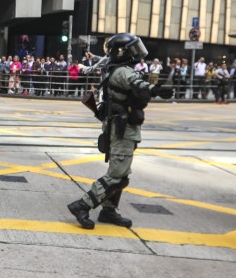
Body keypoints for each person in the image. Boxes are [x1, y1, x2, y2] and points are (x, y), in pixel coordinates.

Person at [68, 34, 171, 229]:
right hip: (122, 129)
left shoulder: (119, 69)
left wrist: (153, 90)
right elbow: (140, 87)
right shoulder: (123, 72)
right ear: (123, 52)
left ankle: (108, 211)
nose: (137, 53)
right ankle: (82, 205)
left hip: (123, 127)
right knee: (117, 175)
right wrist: (156, 90)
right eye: (133, 49)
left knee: (121, 174)